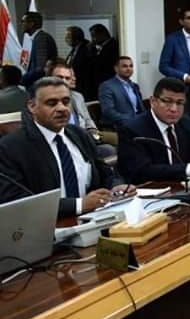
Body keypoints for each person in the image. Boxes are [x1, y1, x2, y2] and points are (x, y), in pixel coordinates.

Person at [0, 77, 130, 217]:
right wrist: (79, 205)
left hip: (93, 218)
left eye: (66, 102)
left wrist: (116, 187)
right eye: (52, 103)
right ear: (32, 106)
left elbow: (105, 174)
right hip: (48, 225)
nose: (61, 108)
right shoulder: (11, 147)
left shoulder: (79, 135)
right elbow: (16, 200)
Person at [118, 77, 190, 184]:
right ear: (153, 101)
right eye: (167, 101)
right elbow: (142, 172)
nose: (174, 109)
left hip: (185, 188)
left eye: (179, 103)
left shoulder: (185, 122)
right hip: (150, 191)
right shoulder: (132, 129)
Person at [98, 56, 144, 129]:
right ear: (116, 69)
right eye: (124, 66)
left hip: (137, 122)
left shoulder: (135, 86)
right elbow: (108, 111)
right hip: (118, 125)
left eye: (131, 66)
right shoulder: (107, 86)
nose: (128, 69)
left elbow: (141, 109)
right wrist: (131, 120)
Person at [20, 12, 57, 86]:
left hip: (41, 85)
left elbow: (41, 68)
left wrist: (22, 79)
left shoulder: (40, 38)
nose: (21, 24)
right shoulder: (38, 37)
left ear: (31, 24)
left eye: (23, 21)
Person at [64, 26, 94, 98]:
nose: (65, 39)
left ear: (77, 37)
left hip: (84, 90)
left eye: (68, 36)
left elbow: (86, 72)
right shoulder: (74, 49)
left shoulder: (87, 49)